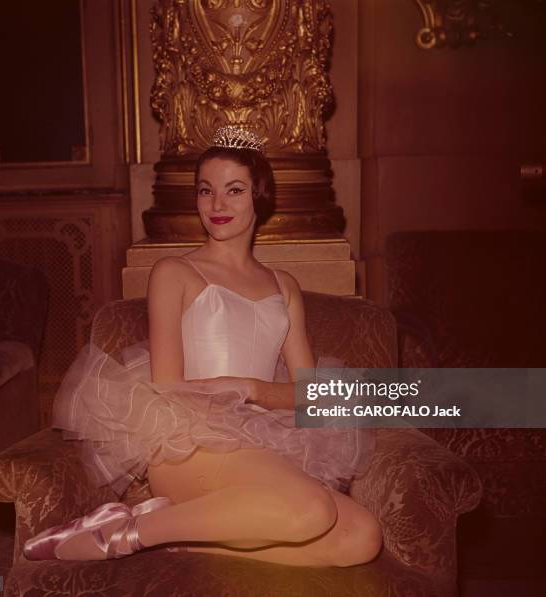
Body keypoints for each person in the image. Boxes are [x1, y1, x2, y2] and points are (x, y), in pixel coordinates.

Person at [23, 126, 382, 567]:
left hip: (265, 443)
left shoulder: (284, 287)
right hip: (189, 442)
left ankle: (190, 539)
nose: (217, 205)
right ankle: (123, 533)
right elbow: (168, 384)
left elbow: (311, 395)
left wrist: (251, 388)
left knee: (362, 538)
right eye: (205, 190)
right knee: (312, 509)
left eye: (234, 190)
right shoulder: (174, 271)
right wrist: (225, 405)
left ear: (260, 196)